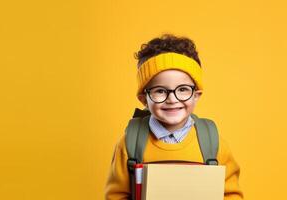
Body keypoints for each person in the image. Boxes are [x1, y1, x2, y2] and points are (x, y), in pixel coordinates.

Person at [104, 34, 244, 200]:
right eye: (160, 91)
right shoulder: (130, 145)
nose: (172, 99)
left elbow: (231, 194)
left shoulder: (213, 143)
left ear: (196, 95)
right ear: (144, 99)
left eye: (183, 89)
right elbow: (115, 196)